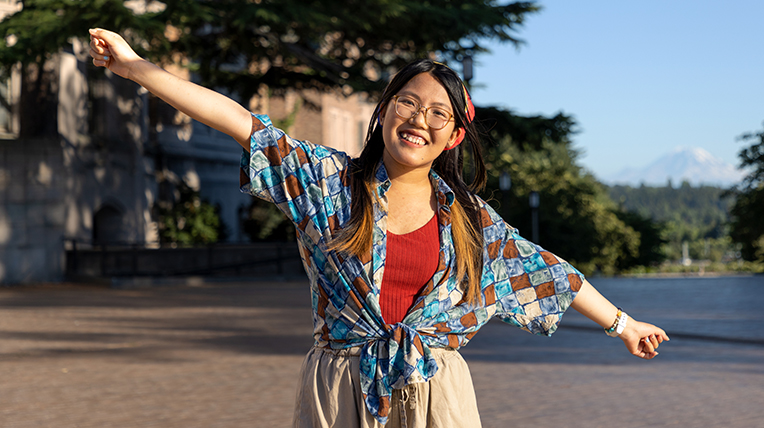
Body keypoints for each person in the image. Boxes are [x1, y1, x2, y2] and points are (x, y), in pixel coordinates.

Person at [88, 28, 669, 428]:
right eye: (408, 103)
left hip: (435, 388)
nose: (420, 120)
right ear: (386, 111)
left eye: (439, 113)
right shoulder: (327, 185)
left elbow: (548, 273)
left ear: (454, 137)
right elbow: (241, 122)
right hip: (340, 384)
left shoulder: (470, 220)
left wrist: (623, 324)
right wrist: (134, 66)